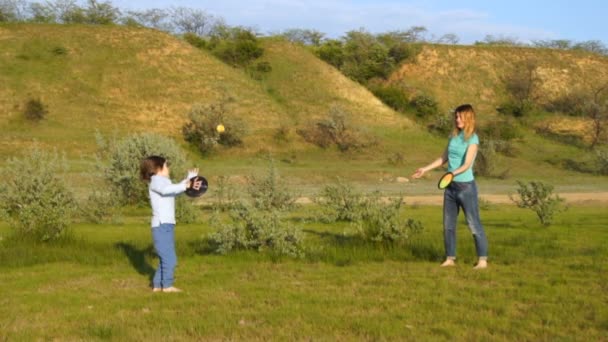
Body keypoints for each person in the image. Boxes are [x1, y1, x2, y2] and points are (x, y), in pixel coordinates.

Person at [412, 104, 488, 269]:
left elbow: (467, 164)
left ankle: (482, 260)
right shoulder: (453, 137)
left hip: (466, 187)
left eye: (460, 117)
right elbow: (443, 158)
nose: (457, 119)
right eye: (456, 117)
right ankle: (450, 258)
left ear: (468, 118)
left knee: (473, 223)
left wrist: (452, 173)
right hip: (450, 188)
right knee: (448, 224)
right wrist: (424, 169)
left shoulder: (473, 139)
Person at [140, 156, 202, 292]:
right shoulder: (156, 182)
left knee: (165, 258)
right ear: (158, 169)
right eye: (166, 166)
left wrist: (188, 180)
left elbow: (173, 190)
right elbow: (167, 190)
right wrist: (186, 184)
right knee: (170, 259)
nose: (168, 169)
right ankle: (167, 286)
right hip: (161, 226)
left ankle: (157, 286)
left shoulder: (163, 182)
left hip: (166, 225)